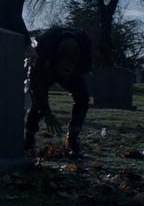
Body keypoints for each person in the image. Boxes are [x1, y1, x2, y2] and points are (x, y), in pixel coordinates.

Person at [24, 27, 93, 157]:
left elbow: (85, 69)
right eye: (63, 68)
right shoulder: (44, 47)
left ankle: (72, 139)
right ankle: (29, 137)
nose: (64, 74)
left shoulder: (84, 46)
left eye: (68, 69)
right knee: (38, 103)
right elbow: (36, 86)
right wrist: (47, 112)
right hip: (45, 67)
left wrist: (72, 71)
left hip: (70, 67)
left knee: (82, 98)